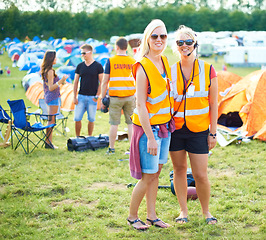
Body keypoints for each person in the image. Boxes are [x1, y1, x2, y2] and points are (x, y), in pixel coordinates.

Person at [127, 19, 174, 230]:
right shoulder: (142, 66)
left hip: (164, 127)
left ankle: (152, 216)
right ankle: (132, 217)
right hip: (149, 130)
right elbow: (140, 105)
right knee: (147, 177)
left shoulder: (163, 61)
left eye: (163, 36)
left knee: (156, 174)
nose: (159, 40)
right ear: (147, 38)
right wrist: (151, 137)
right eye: (154, 36)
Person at [169, 25, 218, 224]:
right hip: (176, 131)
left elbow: (214, 103)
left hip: (199, 130)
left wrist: (212, 133)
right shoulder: (170, 71)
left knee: (200, 175)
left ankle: (206, 212)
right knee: (179, 171)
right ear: (176, 46)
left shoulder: (208, 69)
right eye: (180, 42)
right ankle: (183, 212)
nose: (184, 45)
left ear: (195, 44)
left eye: (188, 42)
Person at [101, 37, 136, 154]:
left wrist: (103, 97)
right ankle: (132, 150)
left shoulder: (111, 61)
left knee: (114, 124)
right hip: (130, 96)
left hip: (115, 97)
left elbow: (105, 81)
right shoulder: (132, 61)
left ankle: (111, 149)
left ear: (116, 47)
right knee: (131, 124)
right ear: (127, 47)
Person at [73, 44, 103, 136]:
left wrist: (97, 96)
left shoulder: (98, 66)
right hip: (81, 96)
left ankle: (90, 137)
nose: (82, 55)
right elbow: (75, 82)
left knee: (91, 119)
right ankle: (77, 137)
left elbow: (101, 82)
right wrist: (74, 97)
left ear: (90, 53)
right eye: (81, 53)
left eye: (84, 53)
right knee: (77, 118)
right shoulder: (80, 66)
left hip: (92, 97)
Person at [41, 50, 68, 149]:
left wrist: (61, 82)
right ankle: (48, 142)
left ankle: (48, 142)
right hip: (53, 97)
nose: (56, 59)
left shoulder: (47, 70)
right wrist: (60, 81)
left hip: (49, 97)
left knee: (51, 120)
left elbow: (49, 85)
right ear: (51, 58)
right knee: (51, 120)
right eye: (55, 57)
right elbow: (51, 87)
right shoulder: (50, 71)